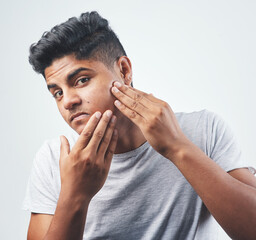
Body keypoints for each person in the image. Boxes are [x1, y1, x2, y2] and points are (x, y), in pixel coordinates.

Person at [23, 11, 256, 240]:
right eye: (57, 92)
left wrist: (177, 147)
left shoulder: (203, 129)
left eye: (82, 80)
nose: (68, 101)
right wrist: (75, 195)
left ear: (124, 71)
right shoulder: (56, 159)